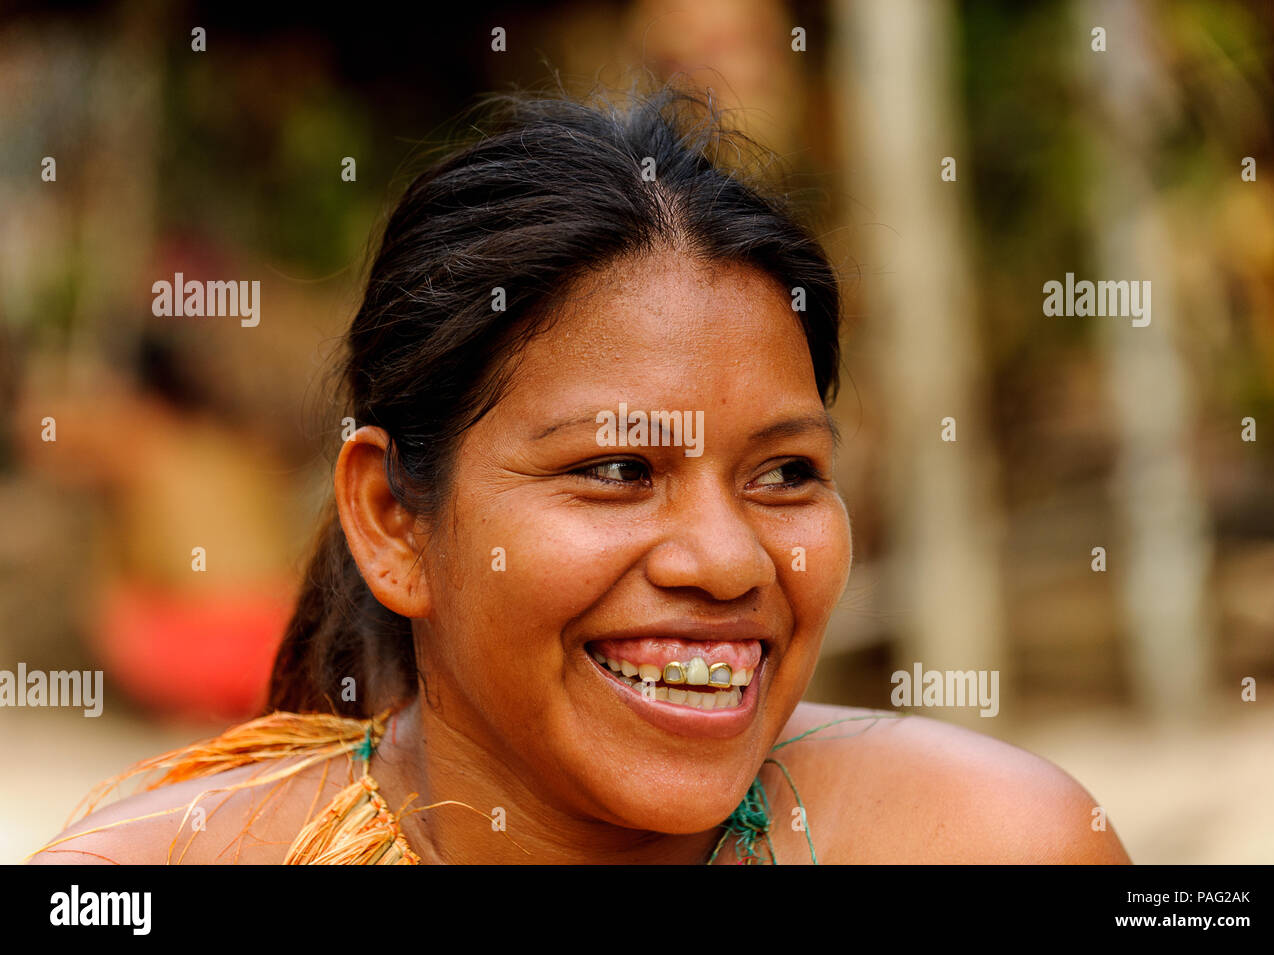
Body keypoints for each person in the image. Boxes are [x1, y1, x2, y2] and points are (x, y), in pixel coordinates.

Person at [29, 86, 1131, 865]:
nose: (726, 559)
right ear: (391, 520)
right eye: (616, 468)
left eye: (786, 471)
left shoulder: (991, 844)